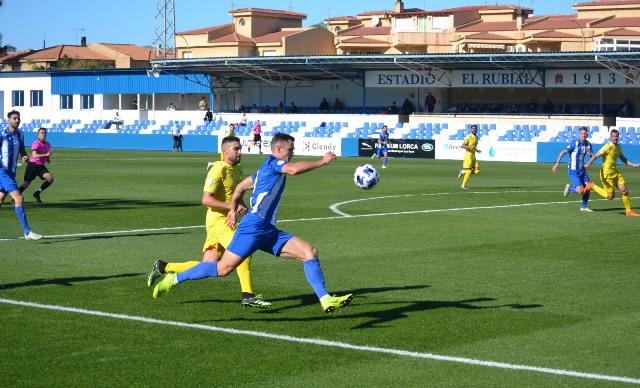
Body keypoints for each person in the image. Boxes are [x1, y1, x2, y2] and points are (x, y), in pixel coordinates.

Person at [153, 133, 354, 314]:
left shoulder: (265, 170)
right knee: (223, 269)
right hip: (253, 226)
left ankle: (325, 299)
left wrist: (232, 210)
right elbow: (292, 170)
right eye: (290, 150)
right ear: (278, 150)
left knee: (309, 252)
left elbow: (241, 187)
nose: (292, 154)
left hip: (267, 229)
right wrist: (323, 161)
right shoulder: (274, 163)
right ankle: (173, 279)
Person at [148, 136, 271, 308]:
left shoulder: (239, 169)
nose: (240, 152)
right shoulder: (217, 170)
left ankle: (164, 267)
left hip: (226, 220)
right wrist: (231, 207)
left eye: (240, 148)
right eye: (236, 149)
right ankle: (248, 295)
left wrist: (239, 205)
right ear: (225, 150)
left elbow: (234, 195)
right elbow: (206, 200)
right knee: (243, 252)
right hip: (217, 220)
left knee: (208, 265)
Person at [0, 110, 42, 240]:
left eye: (18, 118)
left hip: (11, 172)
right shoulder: (2, 135)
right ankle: (27, 232)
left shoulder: (20, 134)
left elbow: (22, 148)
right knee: (19, 199)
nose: (17, 120)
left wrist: (24, 155)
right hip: (3, 171)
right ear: (8, 120)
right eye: (14, 118)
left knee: (0, 199)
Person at [584, 129, 640, 216]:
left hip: (615, 173)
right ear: (610, 137)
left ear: (618, 137)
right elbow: (596, 155)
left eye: (616, 136)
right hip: (606, 174)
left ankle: (628, 211)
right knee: (610, 197)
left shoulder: (618, 147)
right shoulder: (607, 146)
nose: (615, 138)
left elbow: (623, 158)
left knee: (624, 190)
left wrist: (634, 165)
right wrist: (589, 162)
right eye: (613, 136)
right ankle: (591, 185)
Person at [551, 126, 595, 212]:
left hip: (582, 170)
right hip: (573, 171)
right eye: (582, 133)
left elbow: (592, 156)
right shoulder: (574, 144)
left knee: (588, 187)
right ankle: (569, 188)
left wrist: (590, 156)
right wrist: (557, 163)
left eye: (585, 133)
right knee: (580, 191)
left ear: (587, 134)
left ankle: (583, 207)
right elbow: (562, 152)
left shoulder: (588, 144)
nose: (583, 135)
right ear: (579, 134)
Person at [19, 127, 54, 204]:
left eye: (45, 133)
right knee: (26, 184)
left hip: (41, 166)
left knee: (50, 179)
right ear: (38, 135)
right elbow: (34, 155)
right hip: (33, 165)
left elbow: (47, 157)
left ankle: (37, 193)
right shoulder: (36, 143)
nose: (43, 134)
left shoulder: (48, 144)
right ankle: (15, 198)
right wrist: (46, 154)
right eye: (42, 133)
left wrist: (48, 158)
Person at [458, 124, 481, 189]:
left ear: (477, 129)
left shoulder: (476, 137)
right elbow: (462, 145)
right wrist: (469, 147)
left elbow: (473, 146)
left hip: (473, 157)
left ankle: (462, 171)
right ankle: (463, 185)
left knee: (477, 171)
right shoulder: (469, 136)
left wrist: (477, 150)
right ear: (471, 129)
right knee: (469, 171)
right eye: (473, 128)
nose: (474, 129)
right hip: (468, 157)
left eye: (475, 128)